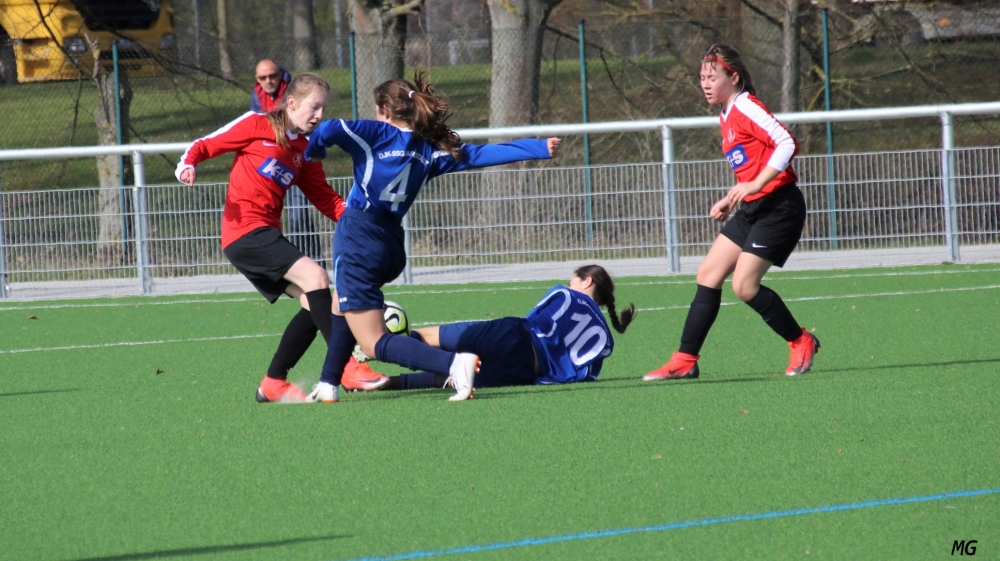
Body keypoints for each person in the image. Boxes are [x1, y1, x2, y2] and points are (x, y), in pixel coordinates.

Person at [303, 71, 561, 403]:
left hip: (360, 236)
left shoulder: (375, 133)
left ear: (384, 110)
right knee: (341, 301)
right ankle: (328, 382)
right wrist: (538, 147)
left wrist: (314, 151)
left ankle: (454, 364)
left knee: (373, 342)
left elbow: (329, 128)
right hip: (390, 245)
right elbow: (480, 155)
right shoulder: (428, 150)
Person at [175, 72, 381, 403]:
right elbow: (203, 145)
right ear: (292, 103)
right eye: (314, 107)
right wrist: (187, 165)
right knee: (316, 277)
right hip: (244, 232)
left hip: (263, 233)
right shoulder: (256, 124)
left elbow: (325, 197)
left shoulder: (307, 150)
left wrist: (360, 221)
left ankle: (273, 381)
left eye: (323, 109)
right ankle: (346, 367)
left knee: (316, 304)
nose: (319, 115)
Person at [643, 43, 820, 381]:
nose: (705, 84)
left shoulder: (746, 106)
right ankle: (685, 360)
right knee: (708, 274)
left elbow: (787, 143)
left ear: (734, 77)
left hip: (779, 207)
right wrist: (732, 197)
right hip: (753, 207)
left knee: (744, 286)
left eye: (712, 78)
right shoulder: (725, 114)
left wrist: (755, 185)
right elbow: (751, 165)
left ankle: (801, 340)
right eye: (702, 78)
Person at [383, 265, 636, 394]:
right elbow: (582, 377)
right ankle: (387, 383)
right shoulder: (606, 341)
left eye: (573, 280)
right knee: (454, 379)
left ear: (587, 281)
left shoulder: (566, 294)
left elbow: (533, 320)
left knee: (428, 336)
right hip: (523, 372)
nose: (569, 284)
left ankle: (374, 348)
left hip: (513, 336)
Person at [250, 59, 325, 269]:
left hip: (296, 161)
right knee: (271, 218)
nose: (268, 81)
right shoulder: (256, 97)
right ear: (257, 79)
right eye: (262, 77)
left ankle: (313, 262)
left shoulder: (293, 92)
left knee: (298, 216)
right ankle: (292, 266)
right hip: (272, 164)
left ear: (280, 75)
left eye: (272, 76)